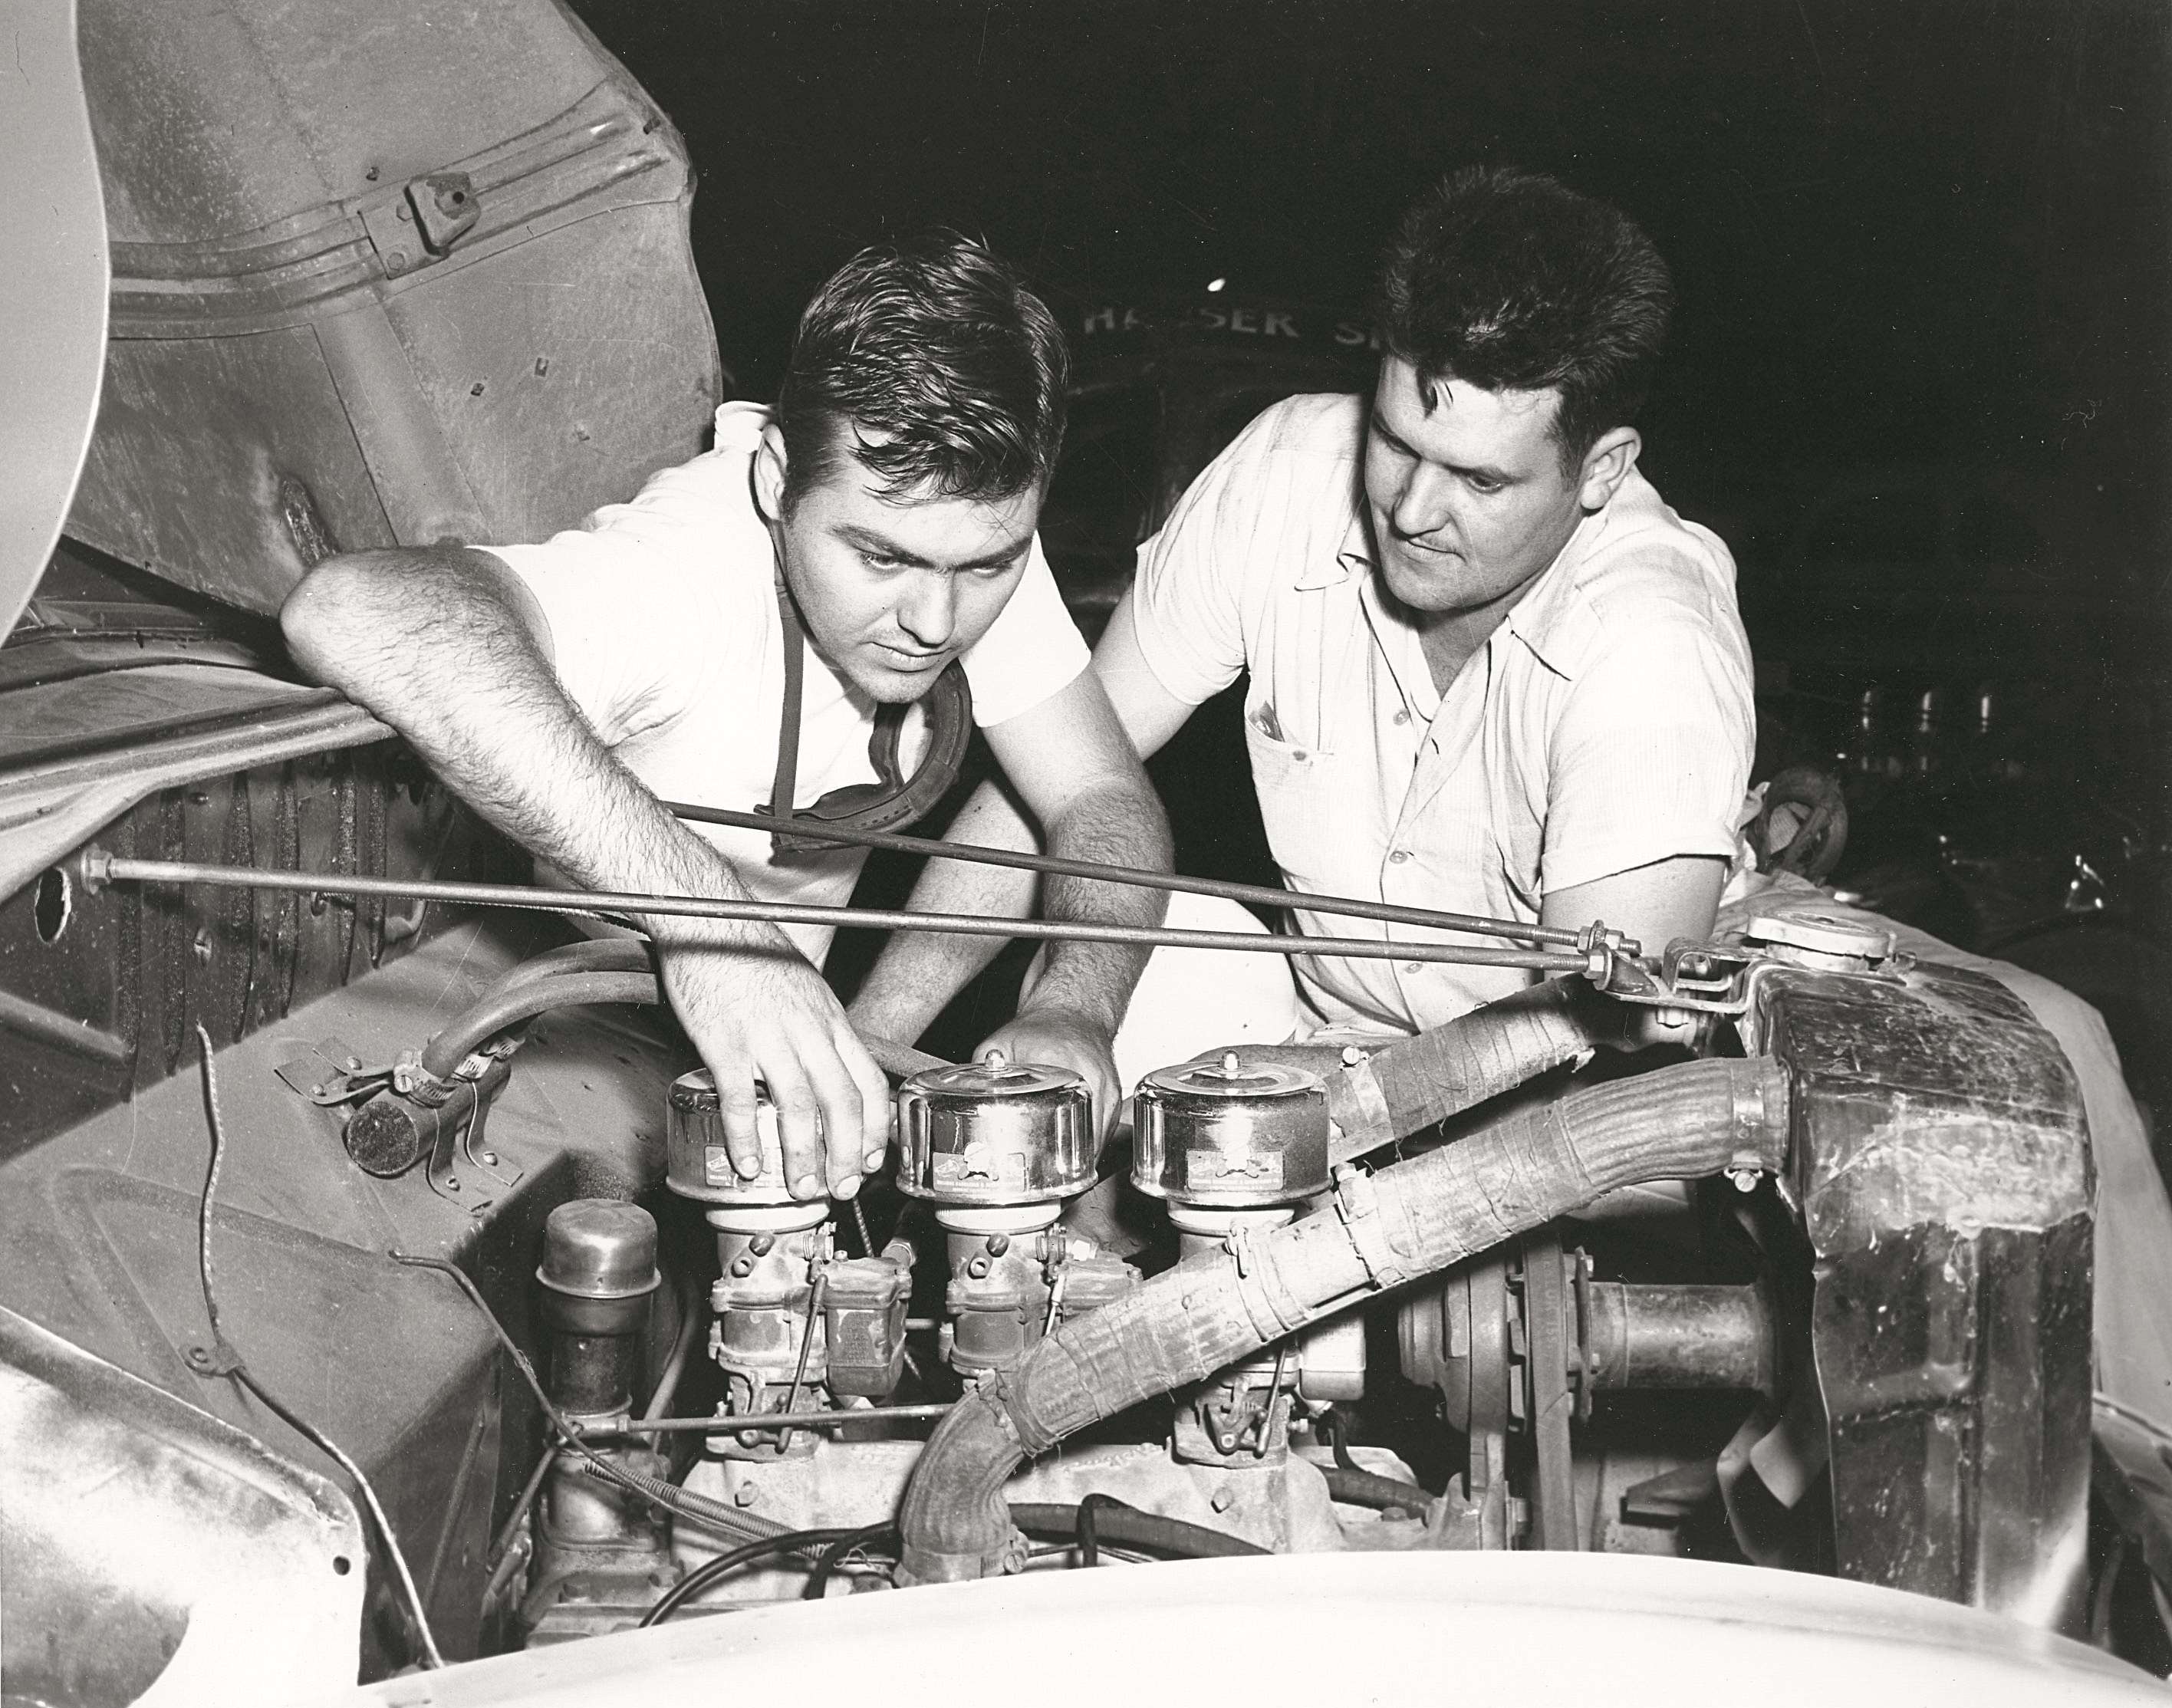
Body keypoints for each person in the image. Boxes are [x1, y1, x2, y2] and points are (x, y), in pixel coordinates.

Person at [282, 232, 1170, 1198]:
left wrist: (1074, 1005)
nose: (934, 621)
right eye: (879, 560)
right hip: (565, 1064)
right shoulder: (690, 571)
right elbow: (352, 610)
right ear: (775, 477)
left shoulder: (948, 524)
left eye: (988, 568)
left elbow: (1099, 793)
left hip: (762, 1063)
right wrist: (716, 931)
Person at [854, 166, 1754, 1077]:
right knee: (1160, 948)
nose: (1410, 510)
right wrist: (868, 1041)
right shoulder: (1286, 469)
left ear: (1601, 470)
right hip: (1326, 1038)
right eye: (1397, 444)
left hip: (1563, 1100)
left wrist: (1289, 1123)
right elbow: (1060, 779)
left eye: (1480, 481)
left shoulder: (1652, 641)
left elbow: (1605, 1048)